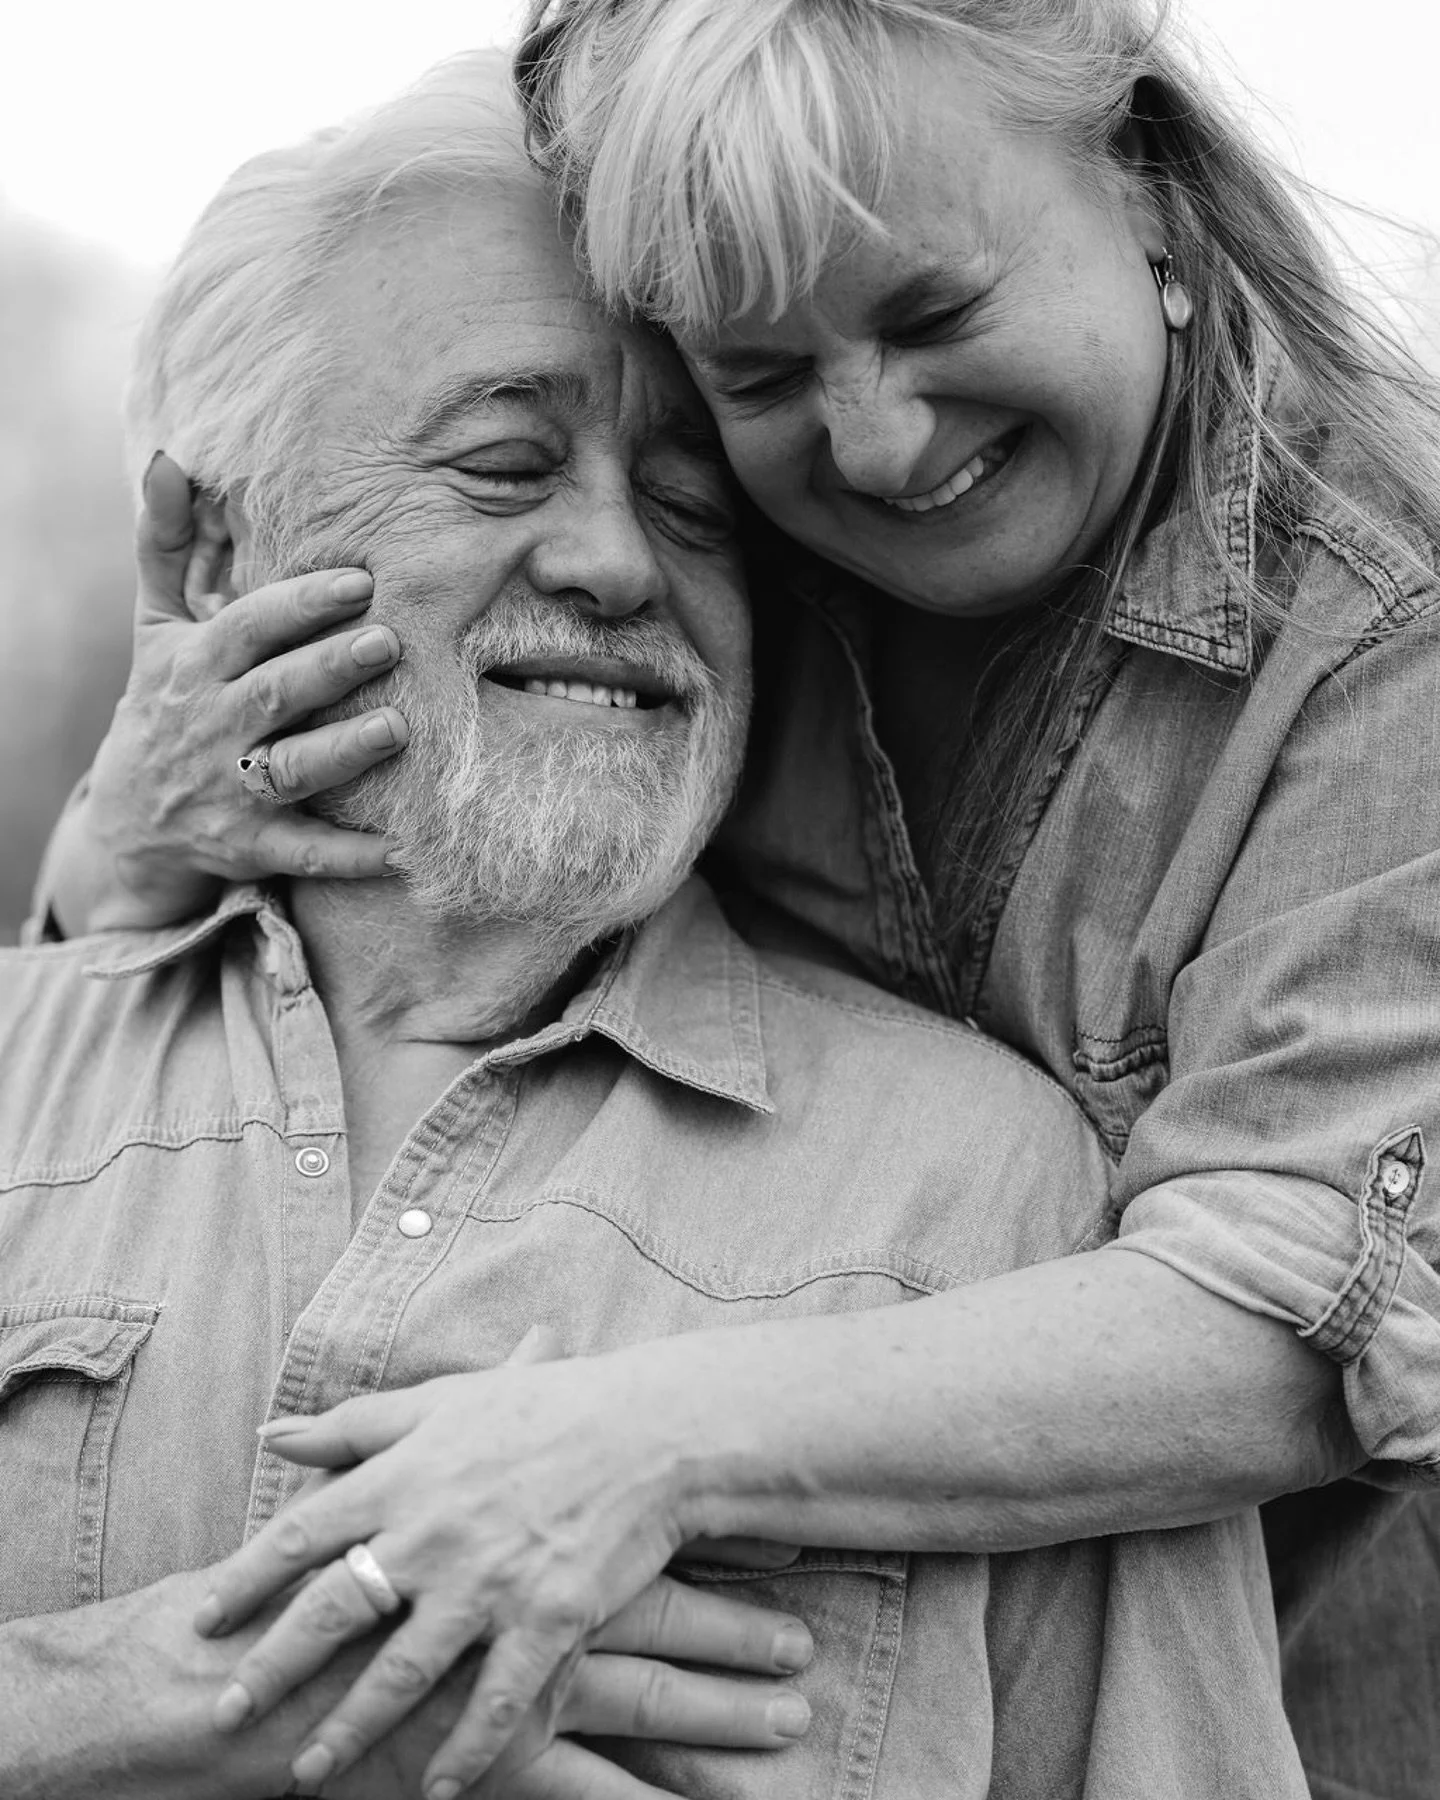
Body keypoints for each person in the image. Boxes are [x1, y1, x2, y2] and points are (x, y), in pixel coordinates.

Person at [29, 4, 1440, 1797]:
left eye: (936, 315)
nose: (871, 443)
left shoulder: (1387, 642)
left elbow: (1284, 1315)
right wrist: (111, 863)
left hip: (1338, 1655)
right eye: (753, 385)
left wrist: (623, 1450)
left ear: (1151, 196)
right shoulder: (751, 523)